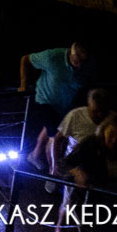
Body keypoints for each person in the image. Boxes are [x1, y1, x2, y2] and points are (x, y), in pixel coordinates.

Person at [20, 41, 95, 170]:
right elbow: (26, 59)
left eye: (83, 62)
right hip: (45, 100)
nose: (79, 66)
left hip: (65, 105)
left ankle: (35, 155)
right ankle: (54, 170)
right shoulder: (53, 57)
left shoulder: (87, 65)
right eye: (77, 62)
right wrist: (23, 83)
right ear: (71, 55)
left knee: (52, 129)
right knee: (55, 136)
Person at [51, 88, 112, 179]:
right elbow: (58, 139)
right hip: (74, 166)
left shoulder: (112, 119)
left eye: (103, 111)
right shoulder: (75, 115)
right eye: (95, 111)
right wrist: (55, 164)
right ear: (89, 105)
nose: (99, 115)